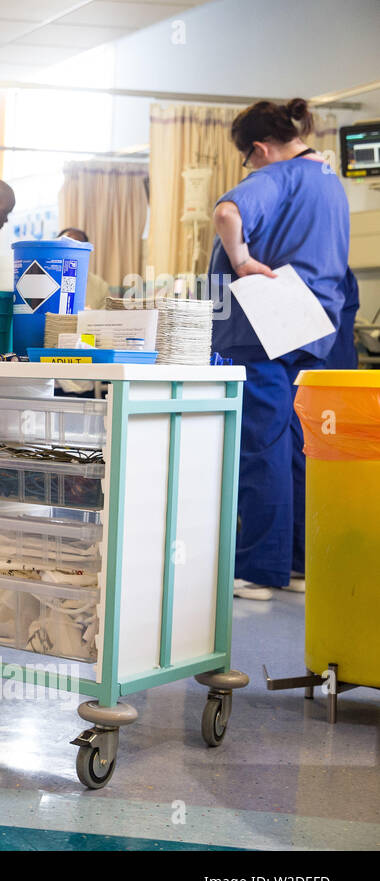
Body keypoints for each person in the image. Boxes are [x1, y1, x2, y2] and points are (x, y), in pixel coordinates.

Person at [207, 98, 354, 600]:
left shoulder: (280, 175)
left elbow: (228, 211)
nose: (250, 168)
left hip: (268, 322)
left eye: (248, 160)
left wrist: (242, 259)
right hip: (314, 324)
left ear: (260, 148)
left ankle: (258, 571)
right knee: (295, 443)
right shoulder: (330, 181)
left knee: (262, 443)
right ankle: (296, 564)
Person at [56, 227, 110, 309]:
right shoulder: (47, 280)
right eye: (65, 247)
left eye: (76, 248)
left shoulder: (100, 285)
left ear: (85, 252)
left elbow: (106, 316)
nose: (70, 253)